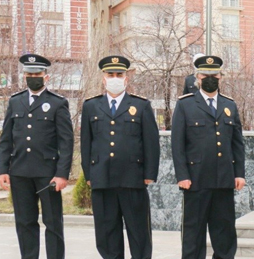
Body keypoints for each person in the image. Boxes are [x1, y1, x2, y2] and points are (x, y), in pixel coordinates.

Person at [81, 55, 160, 259]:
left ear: (126, 78)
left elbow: (151, 142)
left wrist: (150, 173)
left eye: (119, 74)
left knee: (139, 233)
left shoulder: (141, 106)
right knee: (107, 235)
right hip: (102, 179)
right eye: (110, 74)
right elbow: (86, 143)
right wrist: (89, 174)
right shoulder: (91, 106)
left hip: (133, 179)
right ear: (103, 78)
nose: (114, 78)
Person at [171, 55, 246, 259]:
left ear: (221, 77)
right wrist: (182, 175)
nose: (211, 78)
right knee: (193, 235)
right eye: (206, 74)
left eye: (215, 75)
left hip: (224, 180)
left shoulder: (229, 105)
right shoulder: (185, 105)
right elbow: (177, 144)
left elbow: (237, 143)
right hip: (195, 181)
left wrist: (239, 173)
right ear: (197, 77)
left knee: (224, 235)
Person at [0, 54, 73, 259]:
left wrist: (62, 174)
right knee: (24, 223)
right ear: (24, 76)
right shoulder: (15, 102)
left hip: (48, 174)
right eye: (29, 74)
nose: (33, 77)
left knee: (53, 223)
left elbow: (66, 142)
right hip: (20, 172)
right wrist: (3, 170)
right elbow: (6, 139)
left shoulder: (58, 103)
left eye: (37, 74)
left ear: (46, 77)